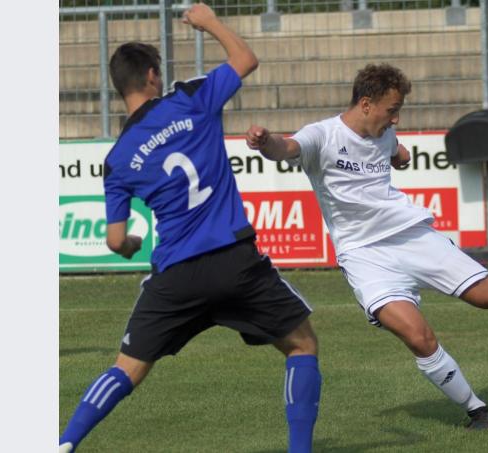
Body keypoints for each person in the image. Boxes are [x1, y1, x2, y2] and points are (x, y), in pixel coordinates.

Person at [245, 63, 488, 430]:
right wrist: (263, 141)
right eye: (392, 110)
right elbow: (285, 148)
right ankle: (477, 410)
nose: (396, 119)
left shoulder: (382, 134)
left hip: (412, 236)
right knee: (417, 335)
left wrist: (399, 155)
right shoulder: (323, 136)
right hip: (365, 258)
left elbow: (397, 151)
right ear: (366, 104)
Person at [59, 5, 321, 452]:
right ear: (151, 75)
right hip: (234, 258)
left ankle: (63, 444)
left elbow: (115, 239)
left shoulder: (118, 158)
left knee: (127, 368)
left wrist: (132, 246)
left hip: (177, 274)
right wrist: (210, 23)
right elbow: (246, 60)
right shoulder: (190, 98)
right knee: (302, 346)